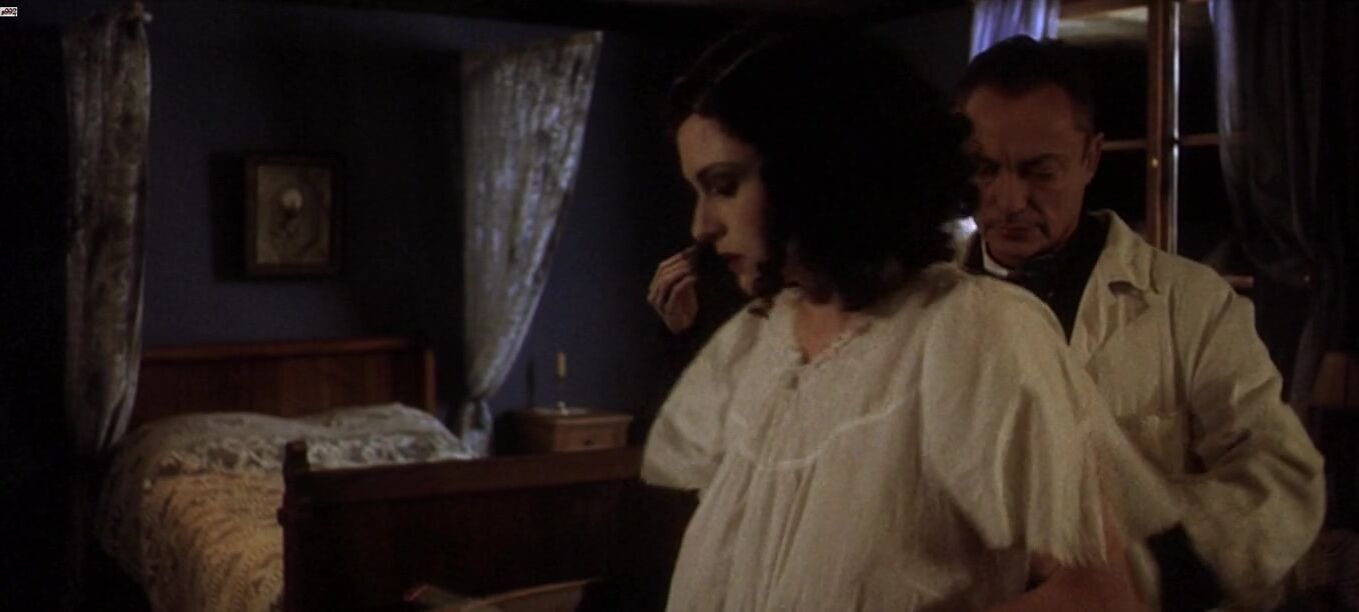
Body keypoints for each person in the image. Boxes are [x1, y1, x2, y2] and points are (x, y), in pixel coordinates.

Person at [642, 23, 1179, 611]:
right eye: (698, 191)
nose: (701, 225)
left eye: (724, 186)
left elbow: (1099, 595)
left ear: (813, 171)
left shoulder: (972, 330)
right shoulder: (759, 337)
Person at [953, 36, 1324, 610]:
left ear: (1090, 158)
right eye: (984, 170)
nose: (1009, 199)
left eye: (1039, 172)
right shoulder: (927, 307)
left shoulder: (1188, 303)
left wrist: (1144, 568)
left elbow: (1282, 478)